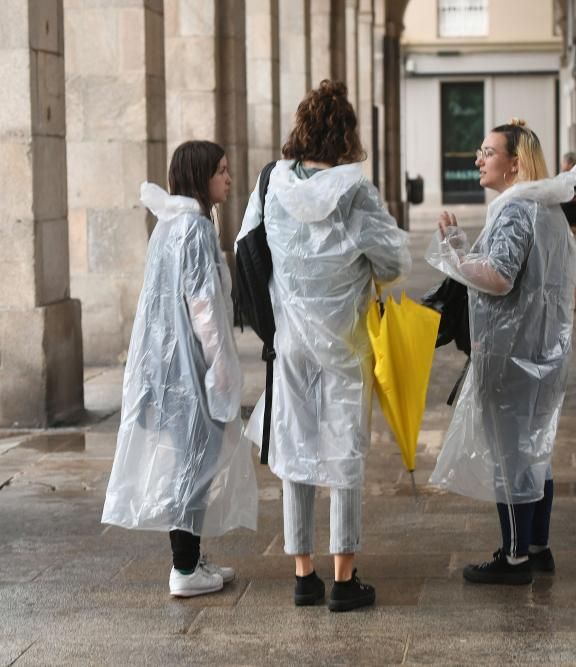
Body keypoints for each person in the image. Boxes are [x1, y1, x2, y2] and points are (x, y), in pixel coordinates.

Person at [237, 80, 411, 612]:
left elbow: (248, 248)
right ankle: (345, 578)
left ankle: (303, 575)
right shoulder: (356, 191)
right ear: (347, 134)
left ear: (301, 126)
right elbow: (392, 260)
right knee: (344, 452)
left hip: (289, 341)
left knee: (294, 447)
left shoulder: (271, 183)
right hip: (346, 342)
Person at [426, 119, 576, 585]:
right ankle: (538, 547)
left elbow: (499, 276)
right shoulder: (547, 208)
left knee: (511, 455)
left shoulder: (517, 210)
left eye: (487, 151)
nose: (478, 159)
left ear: (515, 164)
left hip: (513, 355)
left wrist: (454, 251)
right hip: (541, 352)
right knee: (535, 449)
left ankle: (513, 558)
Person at [102, 140, 257, 598]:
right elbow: (204, 305)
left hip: (165, 367)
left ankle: (190, 557)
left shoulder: (171, 225)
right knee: (193, 463)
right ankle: (184, 568)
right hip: (188, 369)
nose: (229, 178)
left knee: (189, 459)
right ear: (200, 176)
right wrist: (221, 368)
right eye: (222, 171)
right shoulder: (194, 228)